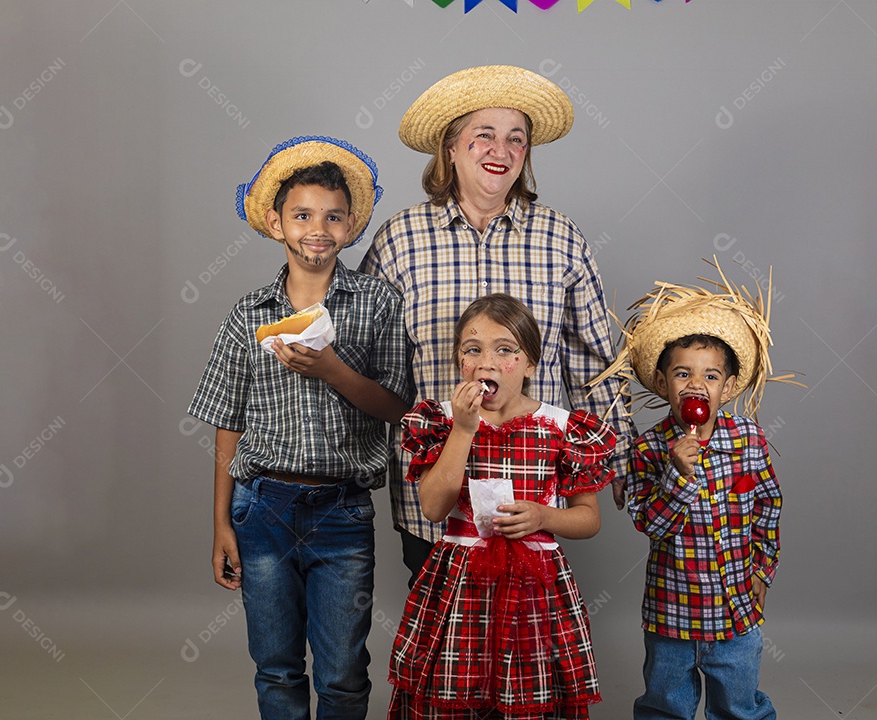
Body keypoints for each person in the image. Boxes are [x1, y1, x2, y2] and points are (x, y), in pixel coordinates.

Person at [360, 64, 635, 587]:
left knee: (521, 643)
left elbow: (594, 357)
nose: (500, 150)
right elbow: (376, 366)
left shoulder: (559, 236)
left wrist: (618, 450)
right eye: (483, 134)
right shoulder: (401, 238)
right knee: (450, 653)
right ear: (450, 148)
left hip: (533, 492)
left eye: (516, 139)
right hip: (436, 498)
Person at [187, 135, 411, 720]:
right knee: (277, 668)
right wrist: (221, 526)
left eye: (334, 217)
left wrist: (333, 369)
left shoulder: (378, 303)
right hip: (261, 509)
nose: (319, 229)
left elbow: (395, 406)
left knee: (341, 672)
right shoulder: (249, 313)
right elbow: (228, 426)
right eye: (303, 215)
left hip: (343, 511)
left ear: (352, 225)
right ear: (276, 221)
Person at [388, 293, 615, 719]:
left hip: (536, 588)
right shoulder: (440, 420)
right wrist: (463, 430)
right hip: (461, 582)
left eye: (505, 350)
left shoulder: (562, 428)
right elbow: (434, 508)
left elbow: (589, 519)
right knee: (453, 688)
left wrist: (544, 516)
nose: (486, 363)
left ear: (531, 364)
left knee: (528, 690)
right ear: (460, 363)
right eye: (472, 350)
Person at [591, 264, 794, 719]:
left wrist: (763, 569)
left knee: (740, 708)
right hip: (672, 616)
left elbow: (768, 506)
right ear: (663, 384)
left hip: (736, 611)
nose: (696, 385)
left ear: (727, 386)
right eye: (682, 374)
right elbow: (650, 524)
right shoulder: (648, 449)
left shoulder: (748, 439)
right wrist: (678, 474)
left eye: (710, 376)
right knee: (665, 708)